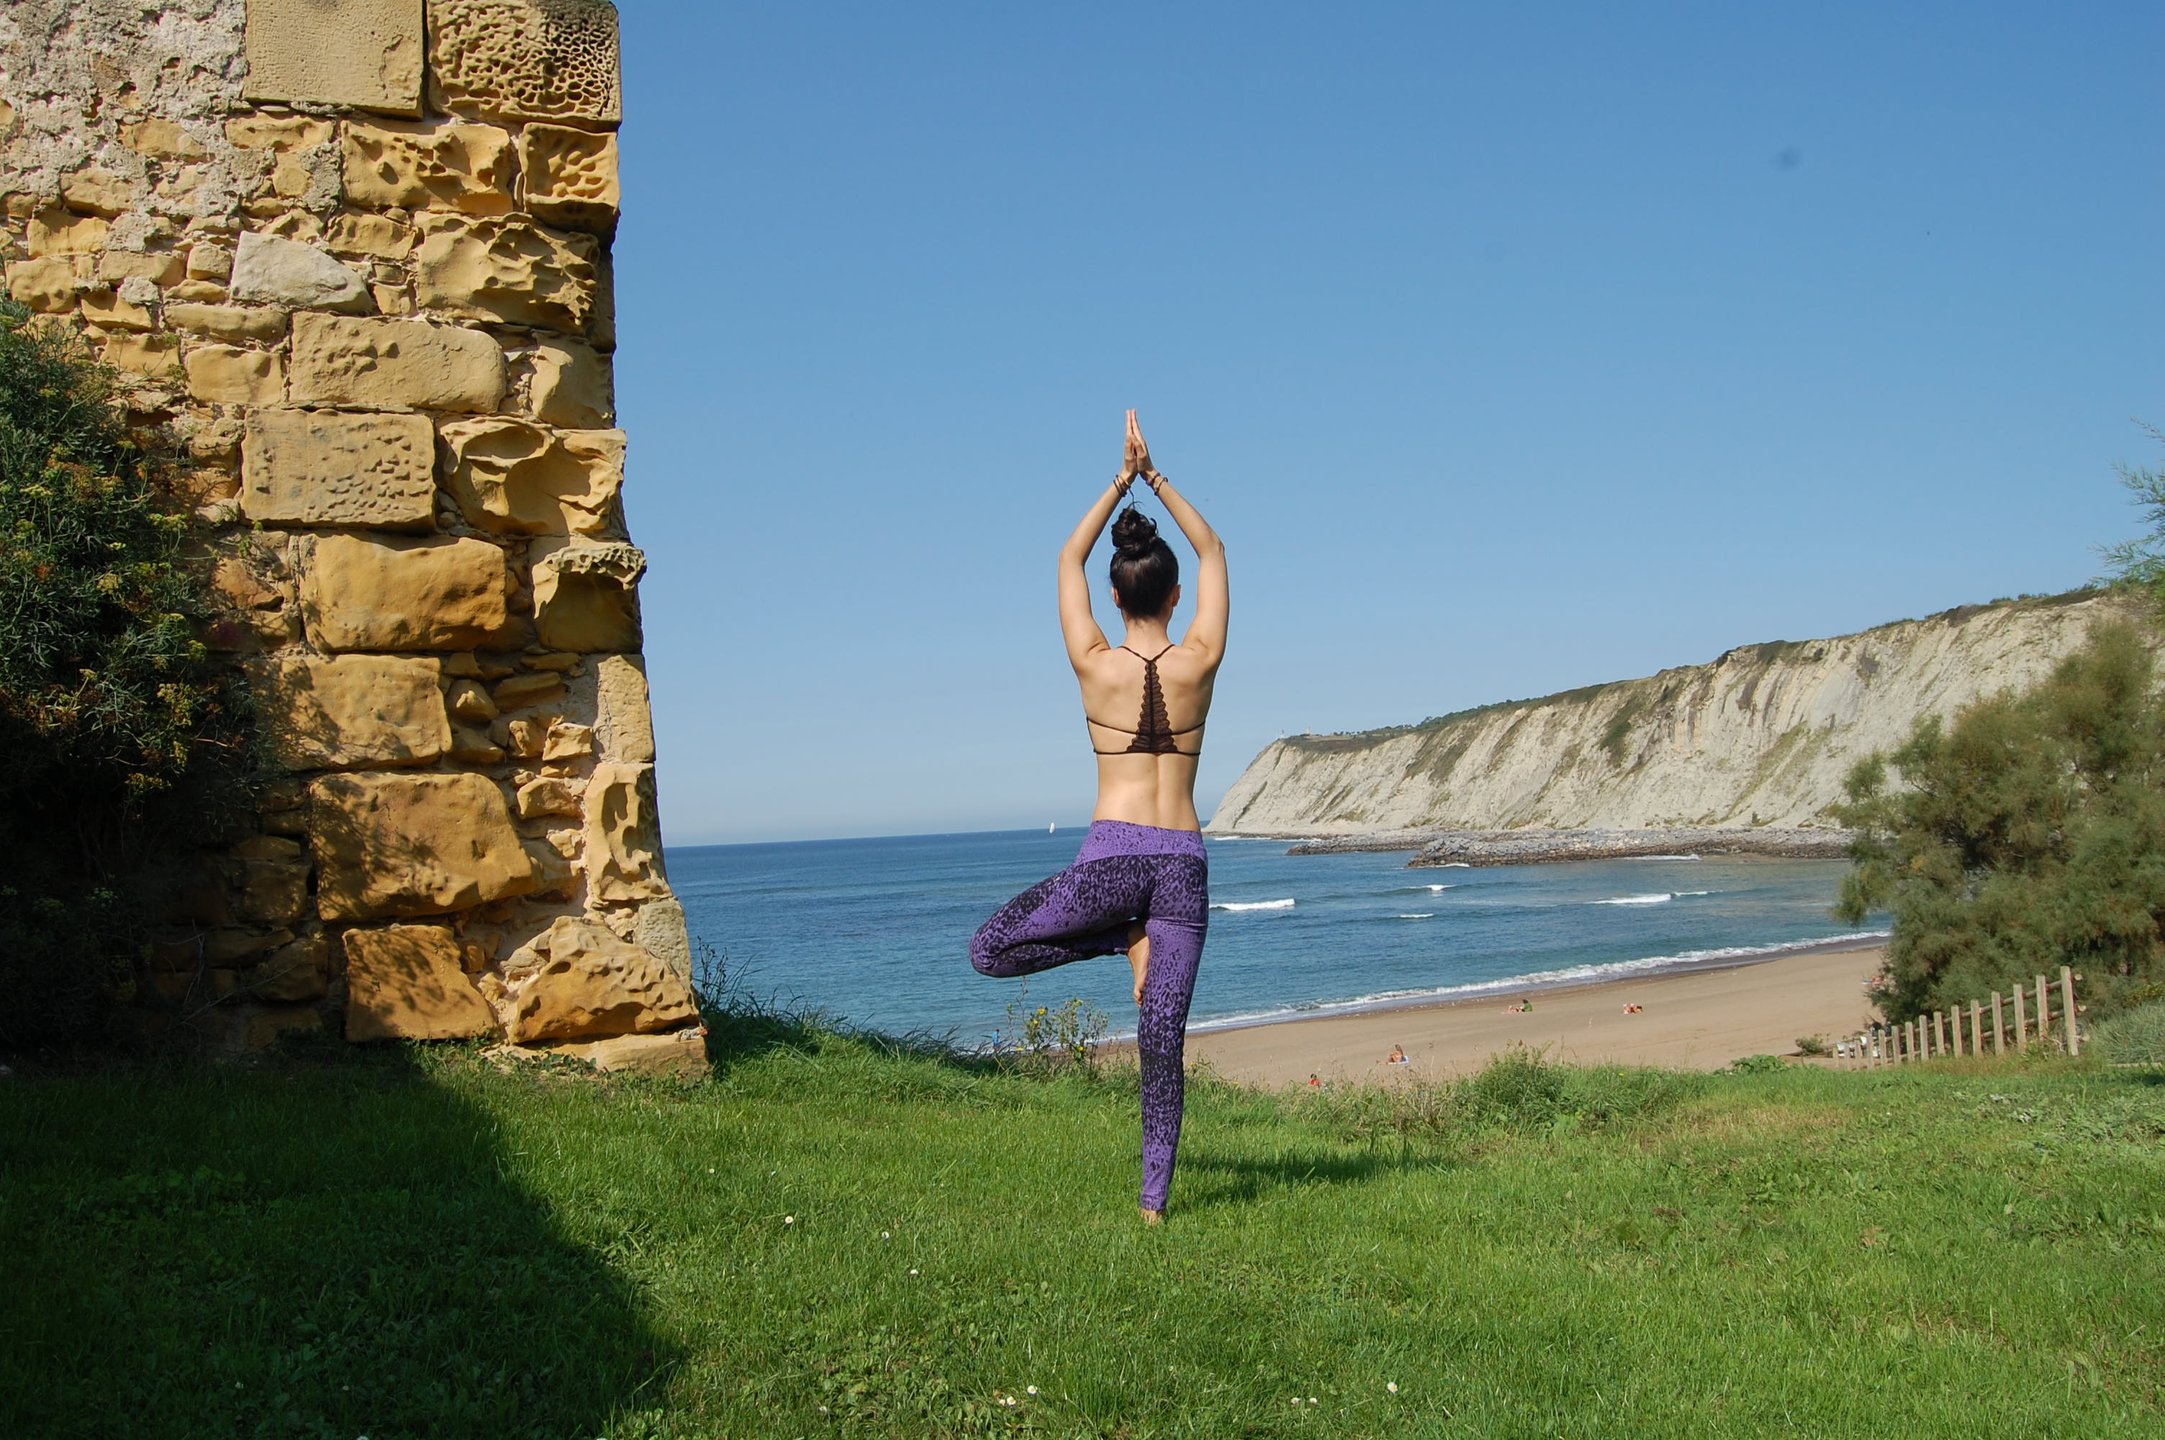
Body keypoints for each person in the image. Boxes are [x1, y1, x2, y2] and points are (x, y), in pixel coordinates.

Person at [970, 410, 1228, 1225]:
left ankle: (1116, 934)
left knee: (989, 950)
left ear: (1113, 597)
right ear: (1176, 595)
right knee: (1162, 1044)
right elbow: (1214, 549)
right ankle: (1153, 1208)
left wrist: (1120, 480)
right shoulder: (1200, 661)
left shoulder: (1093, 663)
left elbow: (1066, 557)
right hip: (1181, 865)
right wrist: (1157, 478)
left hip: (1111, 865)